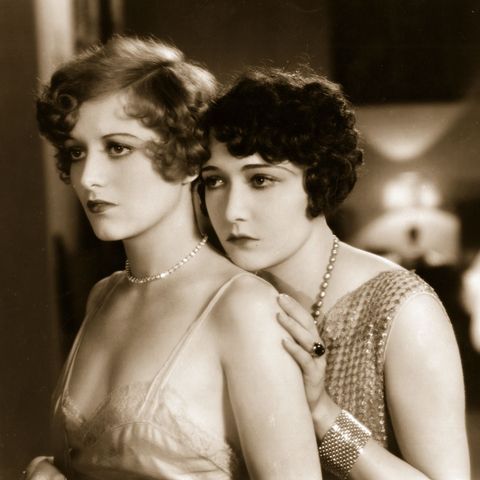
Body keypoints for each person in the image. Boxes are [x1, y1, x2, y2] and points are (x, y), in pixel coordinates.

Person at [23, 37, 322, 480]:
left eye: (118, 148)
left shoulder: (243, 308)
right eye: (76, 151)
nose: (89, 178)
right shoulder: (104, 296)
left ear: (186, 161)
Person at [199, 68, 471, 479]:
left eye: (260, 180)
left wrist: (322, 413)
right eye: (215, 181)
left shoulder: (401, 310)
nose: (232, 210)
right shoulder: (214, 295)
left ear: (319, 181)